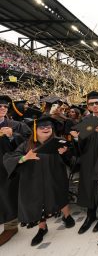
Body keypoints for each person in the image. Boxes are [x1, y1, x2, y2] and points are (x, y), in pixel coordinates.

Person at [4, 116, 75, 246]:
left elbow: (71, 160)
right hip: (34, 180)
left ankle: (67, 216)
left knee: (60, 194)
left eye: (48, 127)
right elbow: (9, 158)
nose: (46, 129)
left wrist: (65, 153)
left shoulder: (58, 142)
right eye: (42, 127)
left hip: (55, 177)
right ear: (35, 129)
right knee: (38, 202)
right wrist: (25, 157)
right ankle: (42, 228)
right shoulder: (26, 145)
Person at [70, 91, 98, 234]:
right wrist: (77, 138)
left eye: (97, 103)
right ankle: (90, 215)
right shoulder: (85, 120)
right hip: (88, 159)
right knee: (89, 185)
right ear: (88, 106)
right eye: (91, 104)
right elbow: (81, 144)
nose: (95, 105)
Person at [0, 95, 31, 246]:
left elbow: (28, 142)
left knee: (7, 194)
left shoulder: (16, 125)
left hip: (7, 167)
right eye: (0, 106)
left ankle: (11, 227)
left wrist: (12, 136)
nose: (2, 108)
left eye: (5, 106)